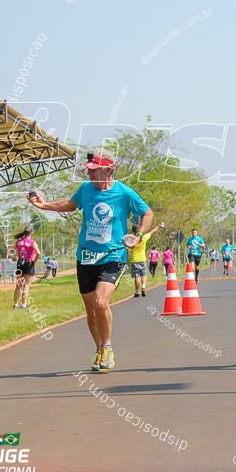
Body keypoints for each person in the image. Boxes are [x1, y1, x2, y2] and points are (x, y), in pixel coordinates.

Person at [29, 148, 153, 372]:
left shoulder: (124, 193)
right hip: (85, 256)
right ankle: (99, 349)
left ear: (108, 170)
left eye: (94, 171)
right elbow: (70, 203)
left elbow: (147, 213)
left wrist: (140, 235)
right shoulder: (86, 189)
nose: (89, 175)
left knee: (100, 302)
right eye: (89, 171)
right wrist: (44, 205)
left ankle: (107, 346)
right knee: (90, 309)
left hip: (113, 255)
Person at [129, 220, 164, 297]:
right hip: (143, 259)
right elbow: (152, 232)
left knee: (136, 276)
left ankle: (137, 291)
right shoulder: (144, 238)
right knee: (144, 273)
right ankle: (144, 287)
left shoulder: (131, 239)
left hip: (135, 260)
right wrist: (158, 227)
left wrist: (126, 259)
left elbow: (128, 250)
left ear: (133, 231)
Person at [10, 226, 41, 308]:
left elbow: (8, 250)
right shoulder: (32, 242)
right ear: (32, 233)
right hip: (28, 262)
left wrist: (13, 258)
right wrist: (34, 260)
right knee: (26, 285)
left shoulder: (19, 242)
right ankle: (24, 304)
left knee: (18, 285)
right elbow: (38, 253)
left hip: (20, 262)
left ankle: (15, 304)